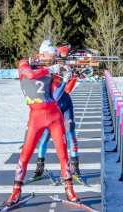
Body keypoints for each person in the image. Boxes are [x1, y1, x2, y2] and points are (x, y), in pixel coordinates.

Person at [7, 39, 80, 205]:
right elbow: (30, 75)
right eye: (52, 55)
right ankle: (16, 191)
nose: (54, 59)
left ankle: (69, 189)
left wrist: (66, 78)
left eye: (55, 57)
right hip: (36, 116)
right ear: (42, 54)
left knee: (63, 154)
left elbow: (56, 95)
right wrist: (50, 69)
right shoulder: (25, 63)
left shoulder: (51, 71)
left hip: (54, 115)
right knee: (25, 154)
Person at [32, 44, 81, 178]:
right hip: (52, 105)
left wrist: (73, 76)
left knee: (70, 133)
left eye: (66, 54)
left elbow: (67, 90)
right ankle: (39, 166)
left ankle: (75, 166)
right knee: (46, 135)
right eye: (61, 54)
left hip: (65, 103)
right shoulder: (44, 66)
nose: (64, 56)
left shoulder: (63, 65)